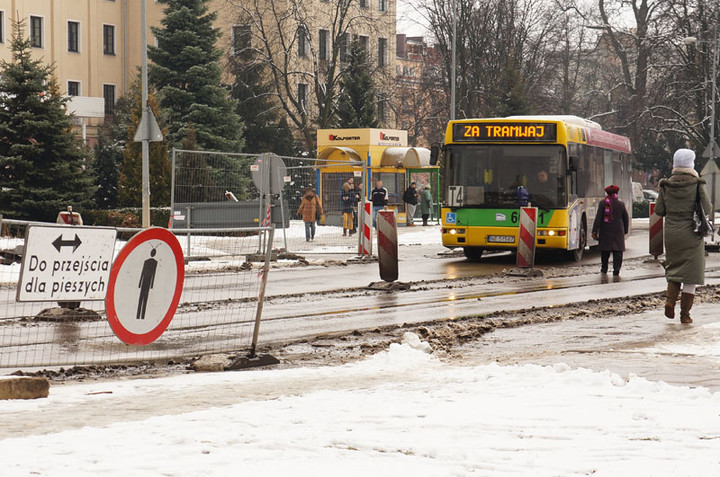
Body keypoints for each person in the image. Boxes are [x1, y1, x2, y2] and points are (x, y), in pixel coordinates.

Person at [654, 148, 712, 324]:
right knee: (691, 275)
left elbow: (659, 210)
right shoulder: (697, 184)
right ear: (691, 164)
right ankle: (685, 315)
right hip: (691, 233)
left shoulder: (665, 185)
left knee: (674, 270)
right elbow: (707, 208)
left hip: (672, 234)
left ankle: (670, 301)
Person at [591, 184, 629, 276]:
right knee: (618, 251)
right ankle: (616, 269)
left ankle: (604, 268)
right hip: (618, 230)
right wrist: (625, 230)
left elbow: (598, 218)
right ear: (616, 193)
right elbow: (626, 218)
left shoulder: (603, 203)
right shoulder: (621, 204)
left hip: (605, 229)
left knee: (605, 250)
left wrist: (594, 231)